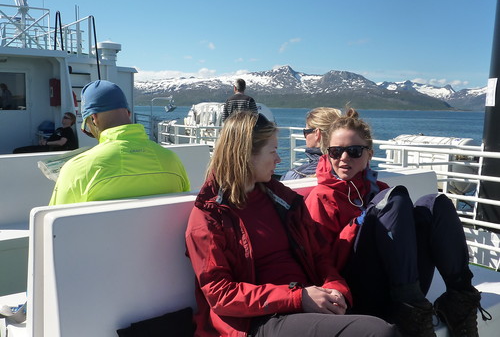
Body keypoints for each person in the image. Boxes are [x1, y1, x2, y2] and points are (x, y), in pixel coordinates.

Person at [185, 111, 400, 337]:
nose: (278, 160)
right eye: (273, 151)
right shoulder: (210, 217)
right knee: (379, 332)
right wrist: (298, 298)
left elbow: (320, 256)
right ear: (246, 155)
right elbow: (221, 296)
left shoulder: (284, 201)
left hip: (305, 303)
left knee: (389, 318)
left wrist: (337, 289)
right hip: (257, 321)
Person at [305, 108, 490, 337]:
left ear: (369, 154)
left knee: (435, 203)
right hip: (359, 292)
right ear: (327, 154)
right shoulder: (321, 198)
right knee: (396, 198)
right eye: (336, 151)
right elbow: (320, 261)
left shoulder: (379, 191)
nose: (344, 158)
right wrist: (357, 225)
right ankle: (408, 309)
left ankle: (460, 298)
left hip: (402, 290)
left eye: (354, 151)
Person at [49, 80, 190, 205]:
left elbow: (55, 226)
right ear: (128, 113)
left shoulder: (76, 169)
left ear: (93, 119)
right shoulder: (171, 160)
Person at [281, 107, 341, 181]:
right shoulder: (350, 169)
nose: (305, 137)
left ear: (317, 133)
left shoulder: (295, 176)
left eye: (305, 132)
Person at [13, 112, 78, 153]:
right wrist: (44, 141)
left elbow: (61, 142)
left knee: (18, 151)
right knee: (17, 150)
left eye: (66, 117)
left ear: (71, 121)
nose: (63, 118)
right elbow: (53, 139)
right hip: (46, 147)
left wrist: (47, 143)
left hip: (50, 149)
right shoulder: (59, 129)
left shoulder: (68, 130)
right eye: (63, 117)